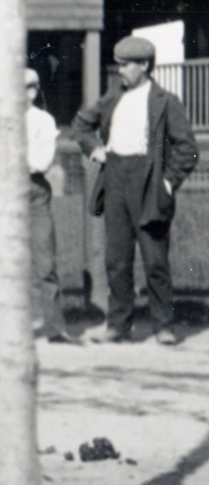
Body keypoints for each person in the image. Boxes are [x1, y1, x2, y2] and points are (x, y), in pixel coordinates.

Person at [71, 35, 199, 344]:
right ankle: (118, 324)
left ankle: (163, 326)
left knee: (155, 259)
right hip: (115, 178)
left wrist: (168, 182)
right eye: (119, 65)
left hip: (150, 182)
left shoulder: (166, 101)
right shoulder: (113, 97)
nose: (121, 71)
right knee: (117, 258)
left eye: (127, 65)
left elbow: (188, 148)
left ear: (144, 66)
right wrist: (96, 151)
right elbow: (81, 125)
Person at [24, 68, 76, 344]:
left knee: (44, 261)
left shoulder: (43, 120)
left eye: (24, 89)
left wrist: (17, 161)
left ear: (32, 92)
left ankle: (55, 327)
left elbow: (41, 161)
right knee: (9, 261)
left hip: (33, 190)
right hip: (6, 193)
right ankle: (13, 328)